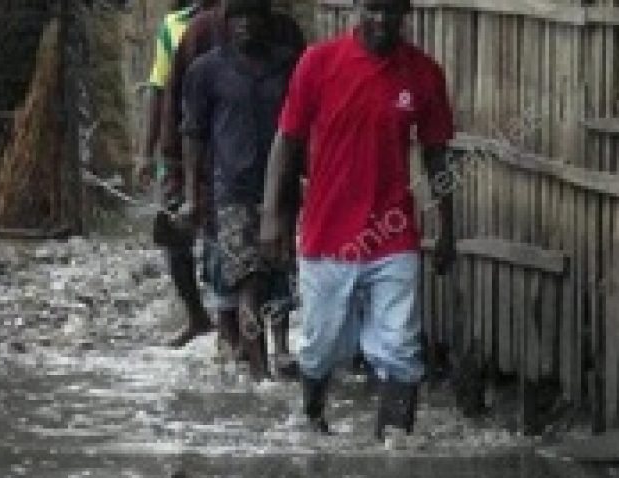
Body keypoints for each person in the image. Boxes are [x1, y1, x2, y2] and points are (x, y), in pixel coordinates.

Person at [259, 0, 456, 438]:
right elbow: (286, 141)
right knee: (322, 345)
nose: (381, 21)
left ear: (405, 15)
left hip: (393, 234)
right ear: (357, 9)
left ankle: (394, 447)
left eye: (391, 12)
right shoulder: (319, 63)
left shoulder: (422, 73)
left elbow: (437, 156)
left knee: (400, 347)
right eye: (372, 9)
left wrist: (447, 227)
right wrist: (272, 217)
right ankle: (312, 420)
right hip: (328, 234)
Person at [162, 0, 305, 371]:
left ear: (267, 19)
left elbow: (305, 124)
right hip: (231, 189)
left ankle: (281, 346)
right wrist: (190, 192)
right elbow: (191, 132)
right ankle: (256, 366)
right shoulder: (206, 70)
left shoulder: (289, 65)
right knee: (247, 278)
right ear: (227, 22)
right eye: (237, 18)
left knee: (280, 270)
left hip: (282, 186)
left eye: (253, 16)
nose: (245, 25)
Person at [136, 0, 216, 349]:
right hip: (181, 147)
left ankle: (235, 322)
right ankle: (197, 315)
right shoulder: (174, 25)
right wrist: (146, 151)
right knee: (174, 230)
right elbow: (158, 89)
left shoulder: (245, 22)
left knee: (227, 235)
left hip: (227, 144)